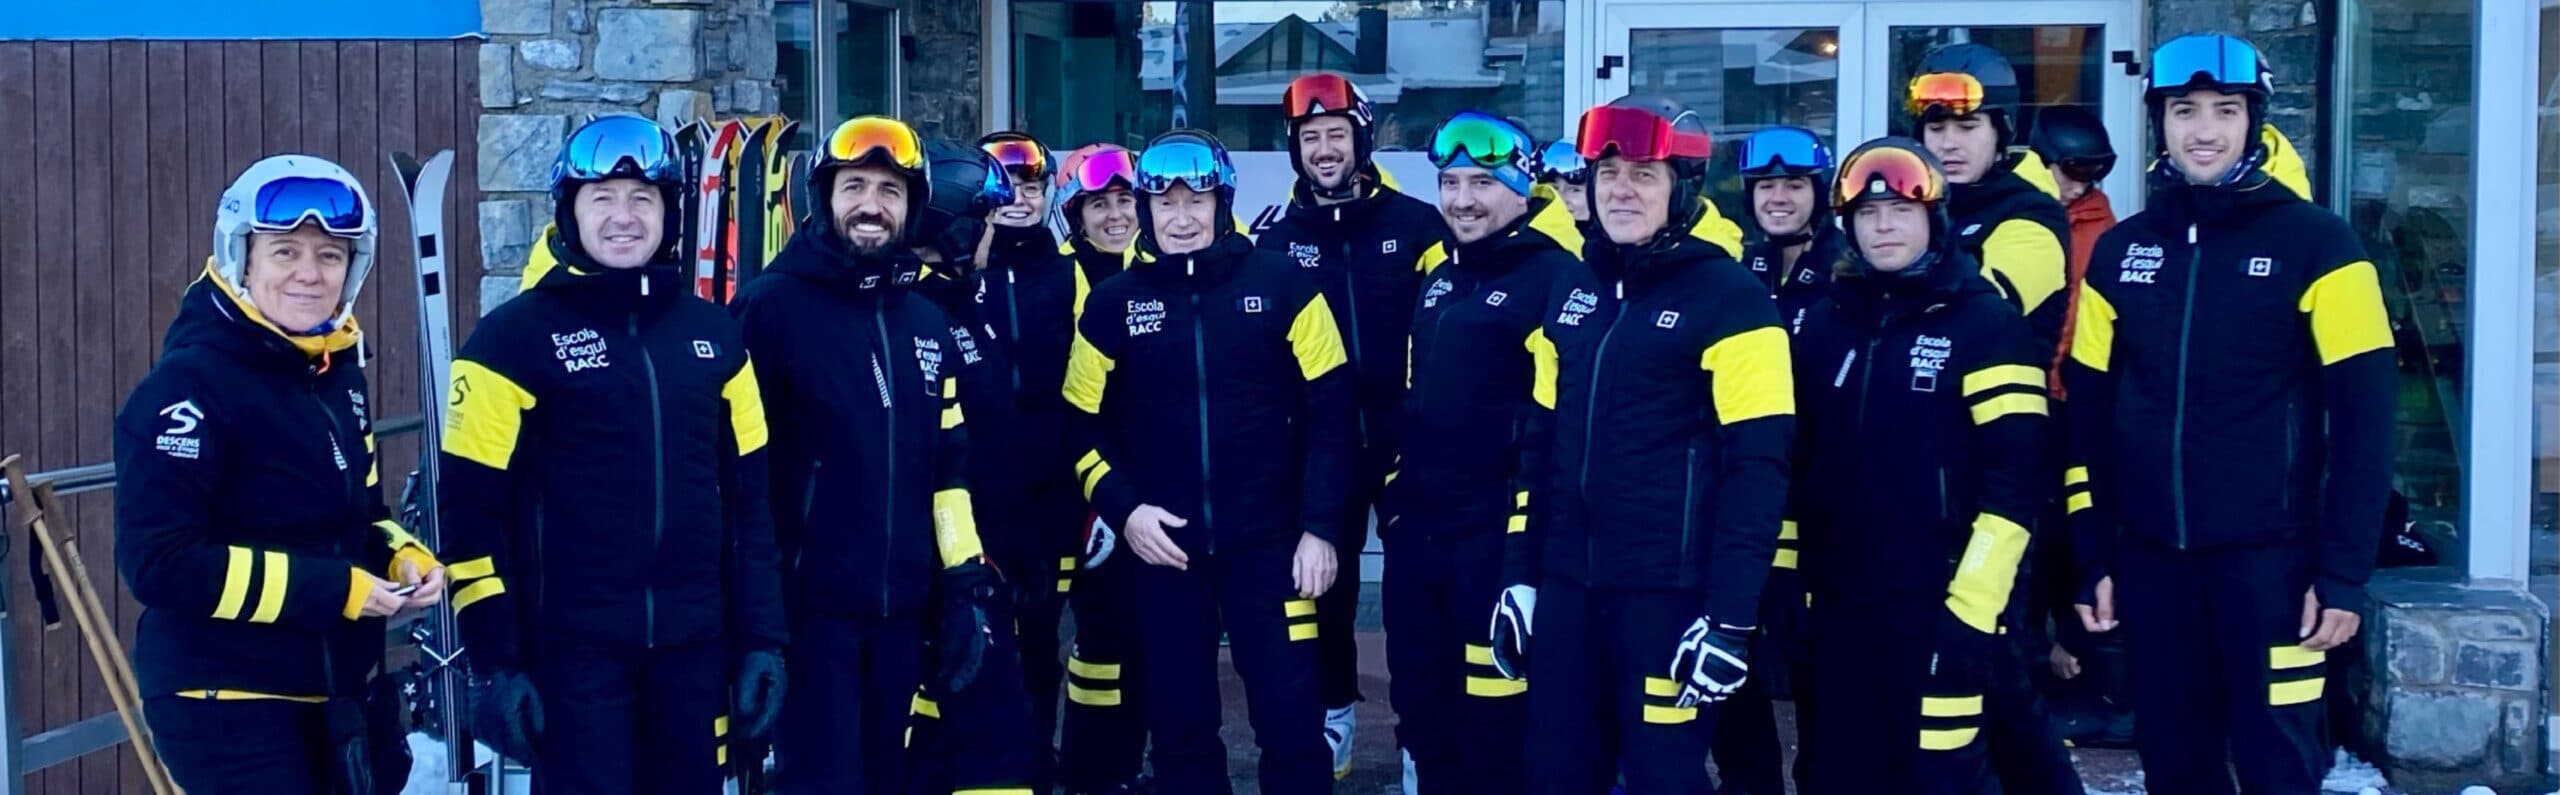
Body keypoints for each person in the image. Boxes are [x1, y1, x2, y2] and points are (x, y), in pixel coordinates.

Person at [2067, 33, 2394, 793]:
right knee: (2175, 761)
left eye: (2225, 110)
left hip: (2273, 570)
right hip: (2152, 564)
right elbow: (2088, 419)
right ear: (2161, 123)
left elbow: (2365, 425)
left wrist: (2343, 573)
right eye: (2184, 110)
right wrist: (2095, 559)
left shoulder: (2321, 244)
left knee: (2280, 761)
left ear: (2254, 120)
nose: (2203, 129)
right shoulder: (2121, 252)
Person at [438, 114, 788, 794]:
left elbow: (752, 509)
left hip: (691, 653)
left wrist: (763, 640)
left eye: (642, 199)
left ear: (669, 213)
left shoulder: (717, 339)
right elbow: (469, 516)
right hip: (571, 658)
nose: (623, 217)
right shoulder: (509, 340)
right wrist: (496, 661)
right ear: (570, 212)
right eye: (601, 199)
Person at [115, 155, 445, 794]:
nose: (308, 274)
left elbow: (359, 510)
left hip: (336, 692)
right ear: (243, 260)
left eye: (329, 255)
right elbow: (161, 562)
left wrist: (400, 554)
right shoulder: (187, 388)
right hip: (228, 698)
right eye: (284, 252)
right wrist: (336, 589)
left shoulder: (332, 369)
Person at [1494, 95, 1792, 794]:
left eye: (1644, 175)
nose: (1621, 189)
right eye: (1608, 173)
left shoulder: (1734, 299)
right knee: (1555, 772)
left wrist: (1729, 619)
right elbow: (1539, 448)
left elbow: (1759, 470)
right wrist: (1520, 573)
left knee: (1664, 778)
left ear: (1681, 190)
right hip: (1569, 592)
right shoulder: (1575, 286)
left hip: (1669, 598)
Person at [1063, 128, 1356, 795]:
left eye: (1197, 199)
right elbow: (1078, 424)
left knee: (1290, 720)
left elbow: (1334, 414)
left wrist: (1320, 528)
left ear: (1222, 204)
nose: (1182, 216)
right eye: (1165, 203)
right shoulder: (1111, 307)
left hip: (1272, 546)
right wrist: (1125, 509)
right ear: (1146, 211)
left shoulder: (1285, 285)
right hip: (1165, 550)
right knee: (1179, 726)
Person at [734, 116, 1006, 794]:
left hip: (902, 612)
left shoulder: (923, 321)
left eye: (889, 190)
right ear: (825, 197)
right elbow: (738, 483)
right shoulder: (769, 310)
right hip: (810, 616)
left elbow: (948, 471)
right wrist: (756, 625)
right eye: (854, 185)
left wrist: (964, 589)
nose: (871, 205)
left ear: (911, 207)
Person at [1787, 137, 2049, 794]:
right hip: (1843, 608)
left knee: (1945, 774)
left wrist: (1973, 607)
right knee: (1835, 771)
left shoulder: (1985, 323)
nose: (1884, 227)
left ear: (1934, 217)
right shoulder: (1823, 326)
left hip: (1947, 609)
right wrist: (1787, 583)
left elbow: (2018, 481)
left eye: (1902, 211)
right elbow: (1795, 465)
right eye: (1868, 214)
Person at [1378, 112, 1577, 795]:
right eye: (1451, 181)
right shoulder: (1441, 274)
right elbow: (1418, 399)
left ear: (1523, 189)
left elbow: (1555, 432)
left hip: (1496, 544)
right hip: (1421, 538)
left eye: (1483, 183)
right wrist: (1397, 501)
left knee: (1494, 726)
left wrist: (1525, 552)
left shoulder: (1555, 278)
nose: (1462, 198)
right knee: (1424, 710)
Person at [1251, 74, 1447, 767]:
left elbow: (1450, 330)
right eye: (1311, 139)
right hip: (1321, 447)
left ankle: (1418, 736)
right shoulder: (1272, 238)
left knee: (1413, 604)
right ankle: (1335, 709)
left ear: (1361, 139)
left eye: (1337, 135)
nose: (1325, 149)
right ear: (1295, 149)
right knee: (1322, 595)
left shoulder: (1419, 224)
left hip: (1406, 445)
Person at [1908, 43, 2086, 795]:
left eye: (1968, 124)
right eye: (1935, 125)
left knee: (1997, 671)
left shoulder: (2030, 221)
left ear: (2003, 130)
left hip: (1998, 486)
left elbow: (1962, 317)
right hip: (1921, 477)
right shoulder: (1925, 207)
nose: (1948, 141)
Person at [895, 138, 1046, 795]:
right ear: (955, 231)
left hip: (986, 568)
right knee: (996, 746)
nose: (994, 237)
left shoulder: (963, 305)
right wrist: (958, 580)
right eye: (984, 225)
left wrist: (1018, 546)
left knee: (955, 745)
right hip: (946, 582)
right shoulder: (918, 318)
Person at [1049, 141, 1154, 795]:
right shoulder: (1056, 279)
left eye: (1124, 201)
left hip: (1137, 490)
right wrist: (1095, 501)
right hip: (1075, 491)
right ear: (1074, 214)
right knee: (1091, 640)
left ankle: (1125, 764)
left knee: (1137, 637)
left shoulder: (1159, 271)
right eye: (1099, 205)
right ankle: (1087, 770)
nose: (1115, 216)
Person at [1735, 126, 1844, 334]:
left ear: (1819, 195)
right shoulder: (1739, 268)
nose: (1778, 198)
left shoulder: (1846, 271)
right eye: (1766, 186)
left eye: (1794, 186)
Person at [1531, 139, 1591, 223]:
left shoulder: (1612, 234)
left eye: (1575, 190)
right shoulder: (1524, 233)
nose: (1561, 199)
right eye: (1553, 189)